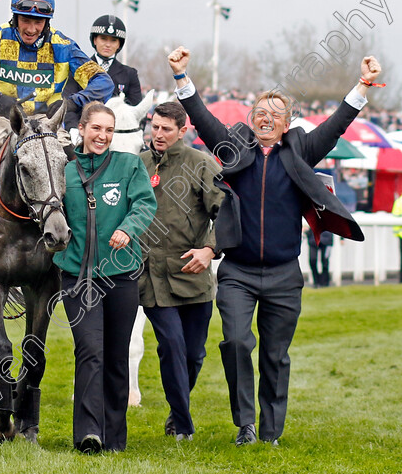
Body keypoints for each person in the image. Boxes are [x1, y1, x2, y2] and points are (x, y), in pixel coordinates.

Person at [168, 46, 381, 446]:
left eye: (274, 115)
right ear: (250, 122)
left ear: (286, 125)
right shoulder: (233, 148)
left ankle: (269, 433)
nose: (265, 119)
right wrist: (182, 77)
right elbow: (202, 118)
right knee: (234, 342)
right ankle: (245, 423)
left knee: (275, 356)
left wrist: (363, 85)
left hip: (285, 274)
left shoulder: (301, 150)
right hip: (238, 273)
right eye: (259, 114)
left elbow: (336, 125)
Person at [52, 102, 157, 453]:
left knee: (115, 355)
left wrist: (128, 229)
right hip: (77, 278)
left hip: (120, 277)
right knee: (90, 350)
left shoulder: (129, 165)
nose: (103, 136)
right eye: (96, 128)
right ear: (81, 129)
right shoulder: (64, 172)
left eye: (109, 130)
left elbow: (145, 204)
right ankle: (88, 434)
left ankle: (115, 438)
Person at [0, 0, 113, 183]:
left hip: (47, 122)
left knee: (73, 163)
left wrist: (72, 102)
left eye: (38, 22)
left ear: (47, 22)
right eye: (26, 20)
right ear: (15, 18)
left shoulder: (63, 46)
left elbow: (103, 82)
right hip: (4, 120)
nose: (31, 29)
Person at [138, 101, 223, 442]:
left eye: (166, 129)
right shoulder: (137, 165)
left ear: (182, 131)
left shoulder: (201, 164)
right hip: (152, 275)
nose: (158, 135)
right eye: (155, 127)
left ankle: (176, 413)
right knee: (171, 346)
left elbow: (226, 211)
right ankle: (184, 426)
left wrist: (210, 249)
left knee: (194, 353)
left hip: (193, 273)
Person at [63, 15, 143, 112]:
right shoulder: (77, 69)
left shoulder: (130, 74)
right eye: (103, 39)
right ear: (95, 40)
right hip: (83, 125)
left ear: (119, 44)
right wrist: (74, 127)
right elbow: (68, 106)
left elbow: (136, 110)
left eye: (113, 40)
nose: (108, 45)